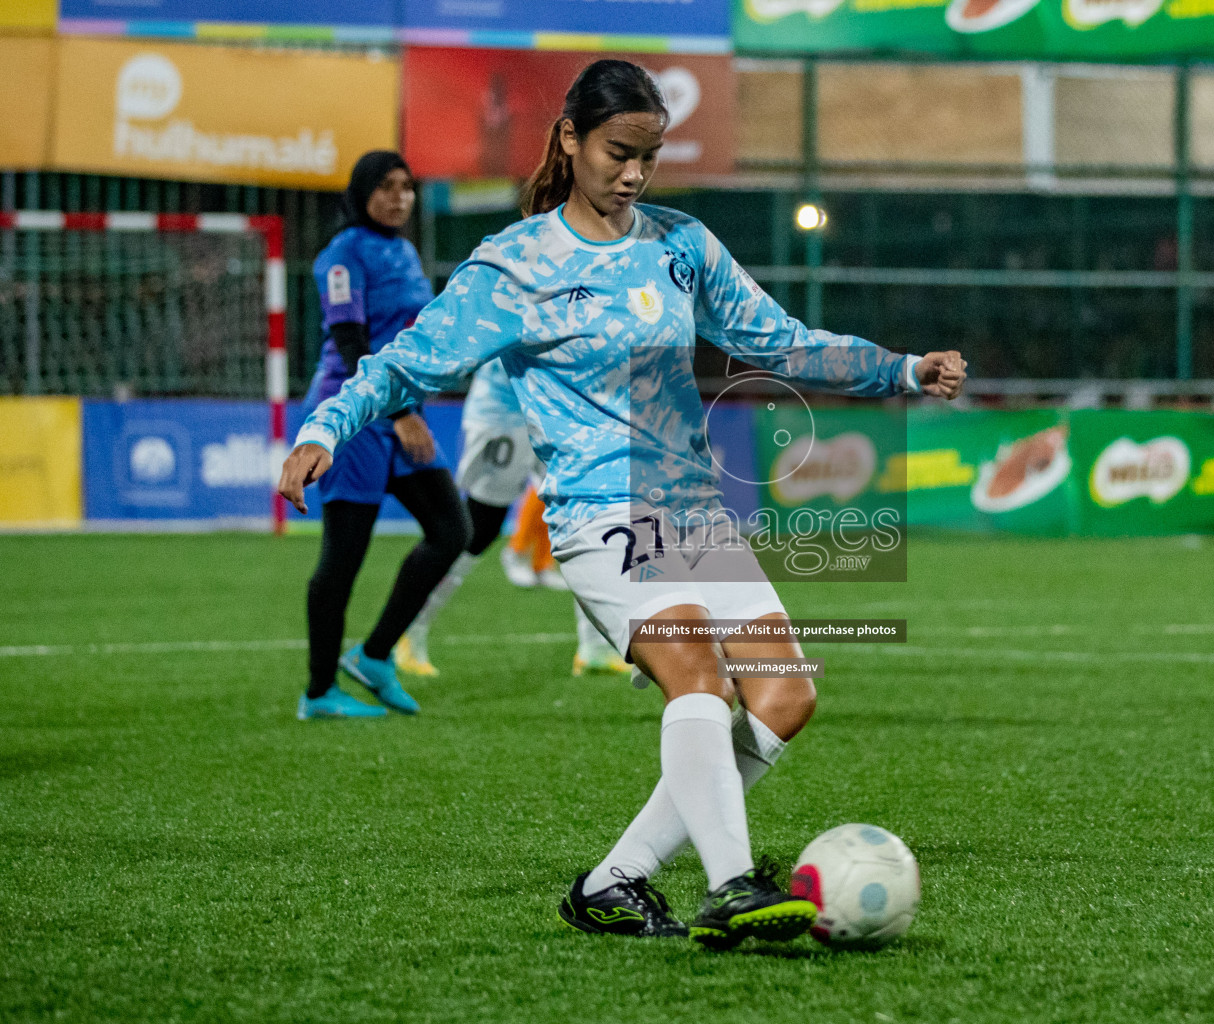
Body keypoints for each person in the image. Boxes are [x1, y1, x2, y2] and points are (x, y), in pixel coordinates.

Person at [279, 60, 965, 946]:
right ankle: (731, 885)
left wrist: (901, 369)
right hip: (600, 509)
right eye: (618, 152)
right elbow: (406, 360)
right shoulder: (516, 264)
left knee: (787, 697)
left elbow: (779, 342)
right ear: (569, 140)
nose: (635, 173)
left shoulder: (681, 245)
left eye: (649, 155)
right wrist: (327, 429)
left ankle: (616, 881)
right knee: (696, 676)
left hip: (692, 511)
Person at [296, 150, 471, 721]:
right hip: (353, 417)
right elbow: (350, 342)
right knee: (343, 557)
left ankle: (373, 656)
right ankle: (319, 692)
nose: (399, 197)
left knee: (452, 530)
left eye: (406, 186)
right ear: (361, 192)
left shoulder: (402, 250)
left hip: (400, 412)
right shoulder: (342, 255)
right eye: (386, 187)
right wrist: (398, 414)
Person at [393, 360, 625, 679]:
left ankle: (595, 649)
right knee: (479, 527)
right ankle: (408, 630)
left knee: (582, 520)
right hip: (503, 414)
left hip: (558, 415)